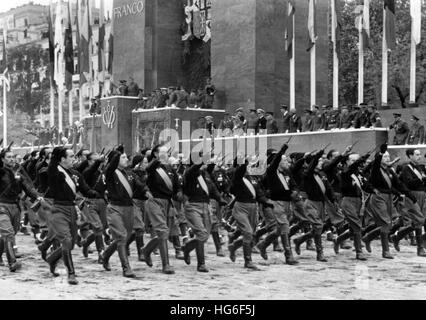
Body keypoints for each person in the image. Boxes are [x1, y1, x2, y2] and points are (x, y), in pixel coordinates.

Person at [46, 147, 100, 285]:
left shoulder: (76, 174)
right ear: (62, 159)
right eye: (70, 156)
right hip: (58, 209)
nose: (73, 159)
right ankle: (71, 274)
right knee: (66, 240)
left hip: (72, 209)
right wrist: (57, 151)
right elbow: (53, 163)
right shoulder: (54, 170)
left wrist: (95, 193)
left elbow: (85, 189)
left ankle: (52, 259)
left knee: (70, 244)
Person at [0, 148, 43, 272]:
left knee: (10, 234)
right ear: (2, 159)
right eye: (8, 157)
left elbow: (28, 187)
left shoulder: (19, 171)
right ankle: (12, 262)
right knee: (8, 233)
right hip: (2, 205)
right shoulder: (1, 171)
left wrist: (36, 196)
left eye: (13, 156)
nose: (12, 159)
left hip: (16, 207)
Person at [142, 145, 182, 274]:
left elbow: (176, 188)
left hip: (167, 203)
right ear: (155, 154)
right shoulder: (153, 168)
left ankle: (146, 250)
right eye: (162, 152)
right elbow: (149, 169)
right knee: (162, 230)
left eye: (166, 152)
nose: (165, 154)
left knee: (165, 232)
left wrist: (180, 195)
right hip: (155, 201)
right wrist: (157, 160)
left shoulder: (171, 169)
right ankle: (166, 265)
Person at [182, 159, 226, 272]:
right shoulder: (190, 173)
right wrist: (201, 160)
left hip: (205, 206)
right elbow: (194, 169)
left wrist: (220, 199)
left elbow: (212, 189)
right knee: (201, 233)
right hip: (193, 206)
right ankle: (201, 264)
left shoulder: (206, 174)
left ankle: (187, 248)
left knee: (205, 235)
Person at [257, 143, 298, 265]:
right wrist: (282, 151)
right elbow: (274, 163)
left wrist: (295, 192)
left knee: (280, 229)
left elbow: (294, 185)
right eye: (285, 160)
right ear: (279, 161)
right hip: (277, 203)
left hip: (287, 203)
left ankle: (263, 244)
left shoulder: (287, 173)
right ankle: (288, 255)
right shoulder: (271, 171)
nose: (287, 163)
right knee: (285, 226)